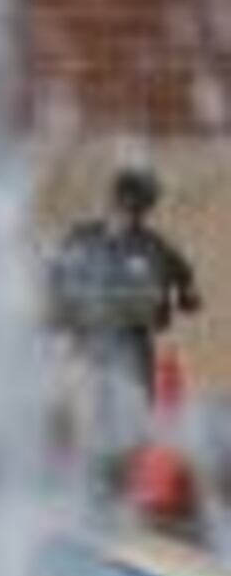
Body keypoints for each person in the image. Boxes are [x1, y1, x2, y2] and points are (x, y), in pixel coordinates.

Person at [46, 167, 199, 466]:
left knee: (120, 428)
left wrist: (183, 298)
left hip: (114, 347)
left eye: (137, 206)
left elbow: (185, 284)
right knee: (95, 426)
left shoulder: (149, 246)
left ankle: (108, 476)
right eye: (136, 204)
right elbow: (54, 281)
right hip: (98, 348)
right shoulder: (88, 239)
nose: (133, 212)